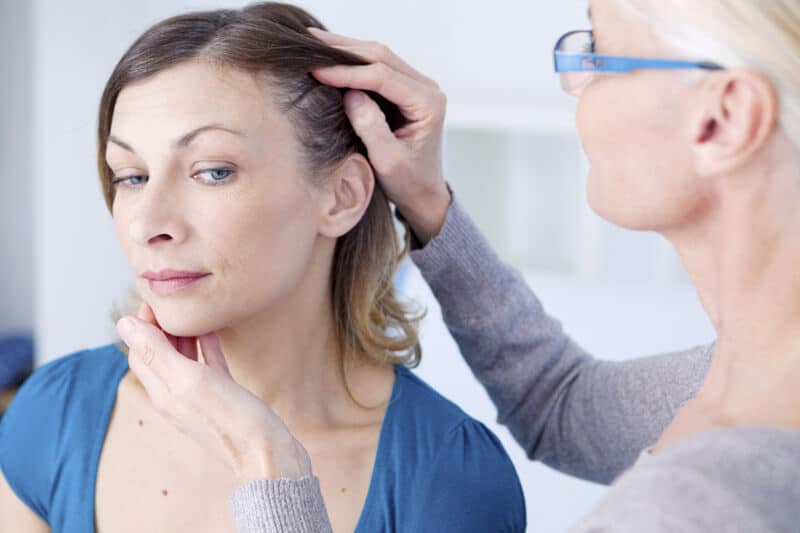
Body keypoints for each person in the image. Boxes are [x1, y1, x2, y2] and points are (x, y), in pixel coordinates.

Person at [133, 0, 800, 531]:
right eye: (128, 174)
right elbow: (560, 405)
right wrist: (426, 200)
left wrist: (270, 471)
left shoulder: (703, 506)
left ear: (724, 118)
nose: (577, 85)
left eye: (597, 53)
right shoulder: (741, 382)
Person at [0, 3, 526, 532]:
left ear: (342, 196)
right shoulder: (52, 414)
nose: (149, 224)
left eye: (212, 171)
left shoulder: (447, 481)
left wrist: (264, 461)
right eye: (131, 177)